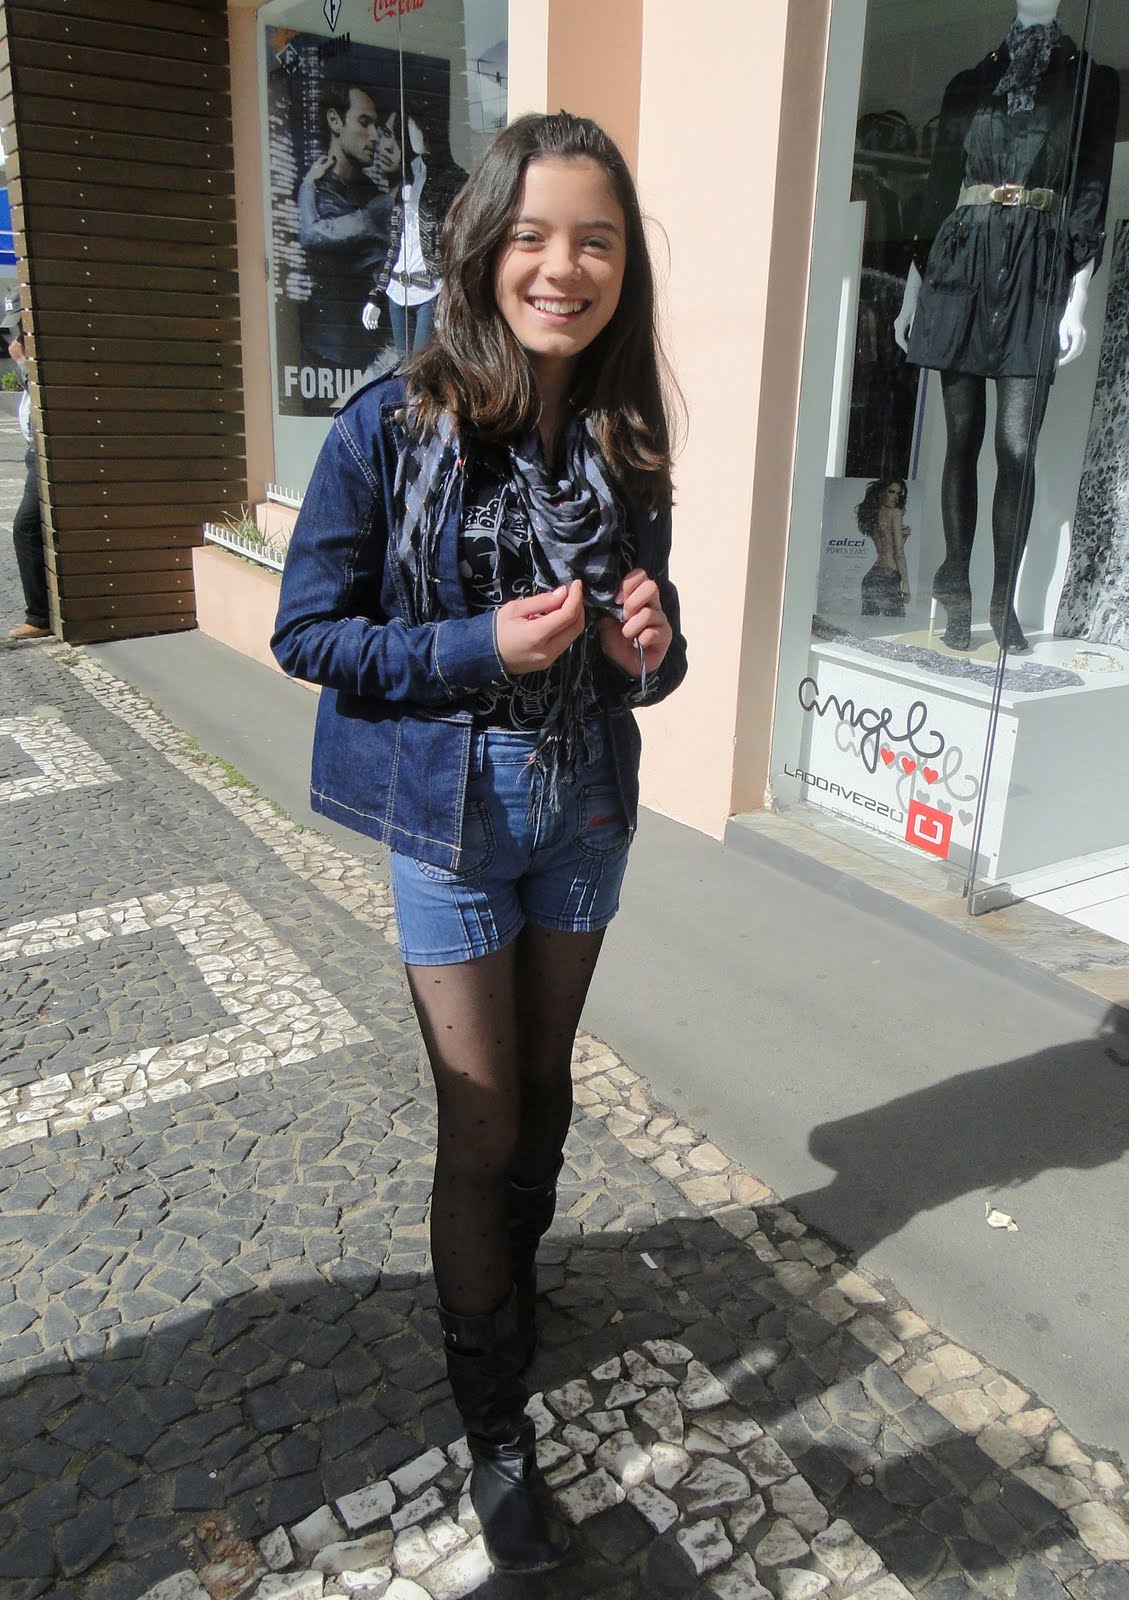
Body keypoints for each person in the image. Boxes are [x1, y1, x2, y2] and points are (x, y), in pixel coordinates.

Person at [272, 111, 686, 1574]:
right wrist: (474, 646)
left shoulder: (627, 438)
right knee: (484, 1120)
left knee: (552, 1094)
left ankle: (507, 1284)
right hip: (449, 819)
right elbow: (309, 633)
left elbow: (657, 653)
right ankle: (496, 1421)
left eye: (596, 241)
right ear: (482, 248)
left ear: (624, 266)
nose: (565, 268)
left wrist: (649, 647)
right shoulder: (392, 425)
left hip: (583, 810)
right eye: (534, 237)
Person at [894, 0, 1118, 653]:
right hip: (961, 263)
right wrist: (911, 294)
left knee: (1017, 446)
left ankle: (1002, 598)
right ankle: (957, 587)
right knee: (961, 440)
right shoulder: (970, 83)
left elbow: (1091, 190)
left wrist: (1077, 298)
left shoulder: (1091, 81)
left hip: (1035, 268)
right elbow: (939, 189)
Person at [296, 79, 389, 372]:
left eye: (377, 126)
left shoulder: (372, 196)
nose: (374, 136)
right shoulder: (322, 195)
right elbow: (315, 235)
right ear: (335, 121)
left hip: (369, 357)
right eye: (364, 122)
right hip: (329, 358)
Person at [362, 107, 468, 357]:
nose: (414, 134)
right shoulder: (408, 180)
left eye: (417, 127)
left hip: (431, 291)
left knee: (423, 365)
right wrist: (376, 295)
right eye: (409, 129)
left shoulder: (454, 180)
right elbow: (395, 245)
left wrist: (449, 300)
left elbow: (458, 245)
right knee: (403, 364)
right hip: (397, 290)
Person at [2, 297, 50, 642]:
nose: (15, 338)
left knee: (26, 527)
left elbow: (40, 401)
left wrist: (21, 363)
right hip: (36, 453)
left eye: (20, 328)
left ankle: (39, 616)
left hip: (46, 454)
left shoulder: (38, 358)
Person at [857, 479, 911, 619]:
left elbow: (885, 548)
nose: (895, 497)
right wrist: (905, 585)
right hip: (888, 578)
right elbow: (898, 553)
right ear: (881, 493)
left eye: (898, 494)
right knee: (896, 625)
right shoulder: (895, 513)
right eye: (891, 492)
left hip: (871, 578)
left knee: (870, 625)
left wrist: (903, 538)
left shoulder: (872, 513)